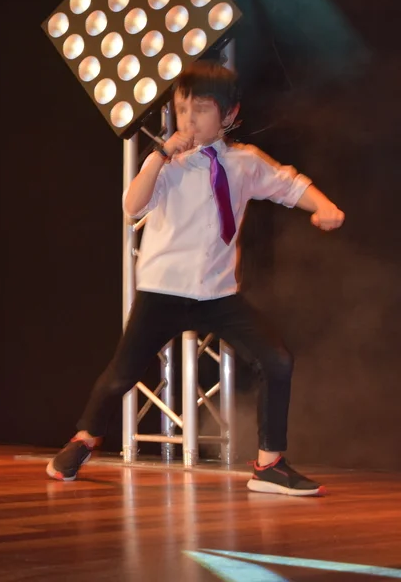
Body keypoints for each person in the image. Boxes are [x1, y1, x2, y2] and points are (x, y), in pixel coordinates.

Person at [46, 61, 345, 496]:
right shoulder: (169, 165)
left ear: (229, 114)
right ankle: (84, 439)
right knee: (121, 375)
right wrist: (159, 156)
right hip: (163, 290)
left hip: (218, 293)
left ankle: (269, 465)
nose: (188, 119)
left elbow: (288, 184)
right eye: (182, 109)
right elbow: (132, 206)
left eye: (201, 109)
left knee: (277, 359)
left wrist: (324, 206)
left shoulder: (244, 162)